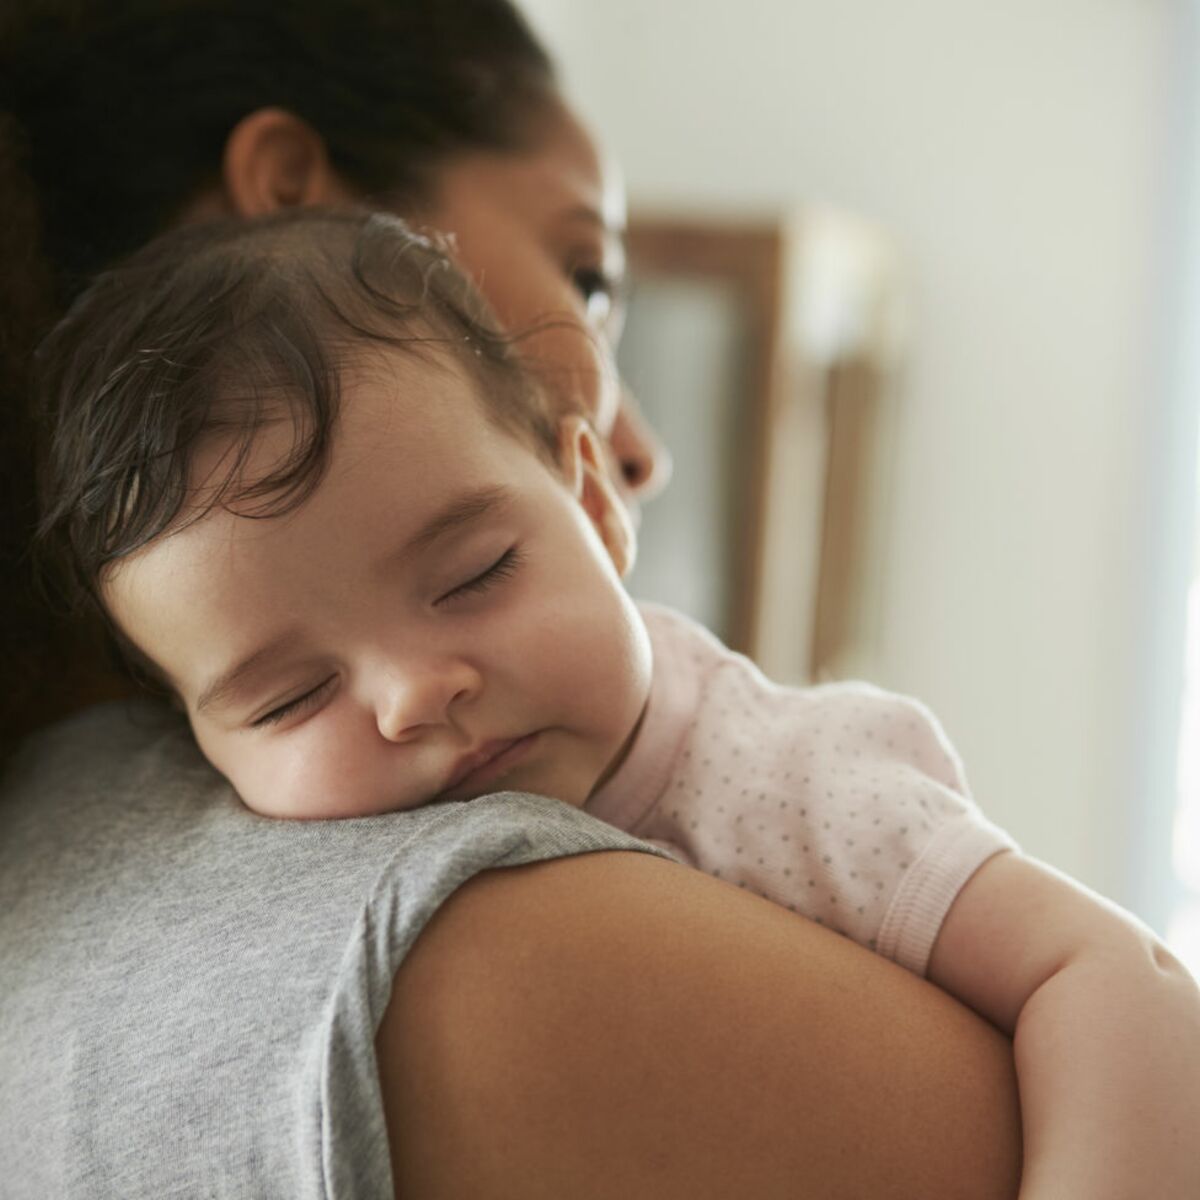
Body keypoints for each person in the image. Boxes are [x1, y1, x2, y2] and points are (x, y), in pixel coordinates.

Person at [0, 2, 1026, 1195]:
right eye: (586, 277)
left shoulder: (54, 864)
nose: (638, 452)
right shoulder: (493, 958)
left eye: (472, 573)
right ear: (291, 199)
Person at [36, 206, 1200, 1200]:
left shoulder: (792, 781)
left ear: (591, 499)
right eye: (292, 698)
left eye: (473, 576)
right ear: (191, 740)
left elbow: (1113, 978)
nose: (411, 696)